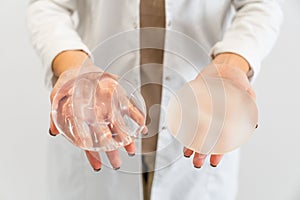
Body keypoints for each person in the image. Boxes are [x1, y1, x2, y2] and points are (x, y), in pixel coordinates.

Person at [27, 0, 282, 200]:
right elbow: (48, 4)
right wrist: (73, 63)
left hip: (202, 116)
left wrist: (233, 61)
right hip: (96, 115)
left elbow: (261, 4)